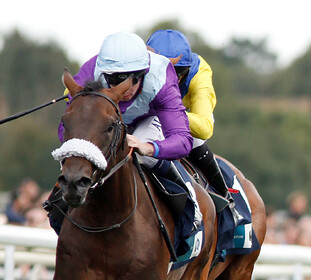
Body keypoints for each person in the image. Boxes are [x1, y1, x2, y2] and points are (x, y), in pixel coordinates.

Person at [47, 31, 191, 224]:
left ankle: (191, 206)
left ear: (145, 72)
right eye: (115, 80)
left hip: (146, 121)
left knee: (144, 158)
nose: (126, 88)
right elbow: (67, 127)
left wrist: (149, 147)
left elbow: (183, 140)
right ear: (104, 72)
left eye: (133, 78)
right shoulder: (89, 72)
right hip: (102, 125)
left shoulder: (161, 78)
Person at [146, 29, 235, 209]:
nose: (175, 79)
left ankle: (225, 197)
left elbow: (204, 127)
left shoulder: (199, 73)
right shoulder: (136, 65)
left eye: (180, 72)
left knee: (194, 139)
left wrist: (170, 113)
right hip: (147, 114)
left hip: (184, 116)